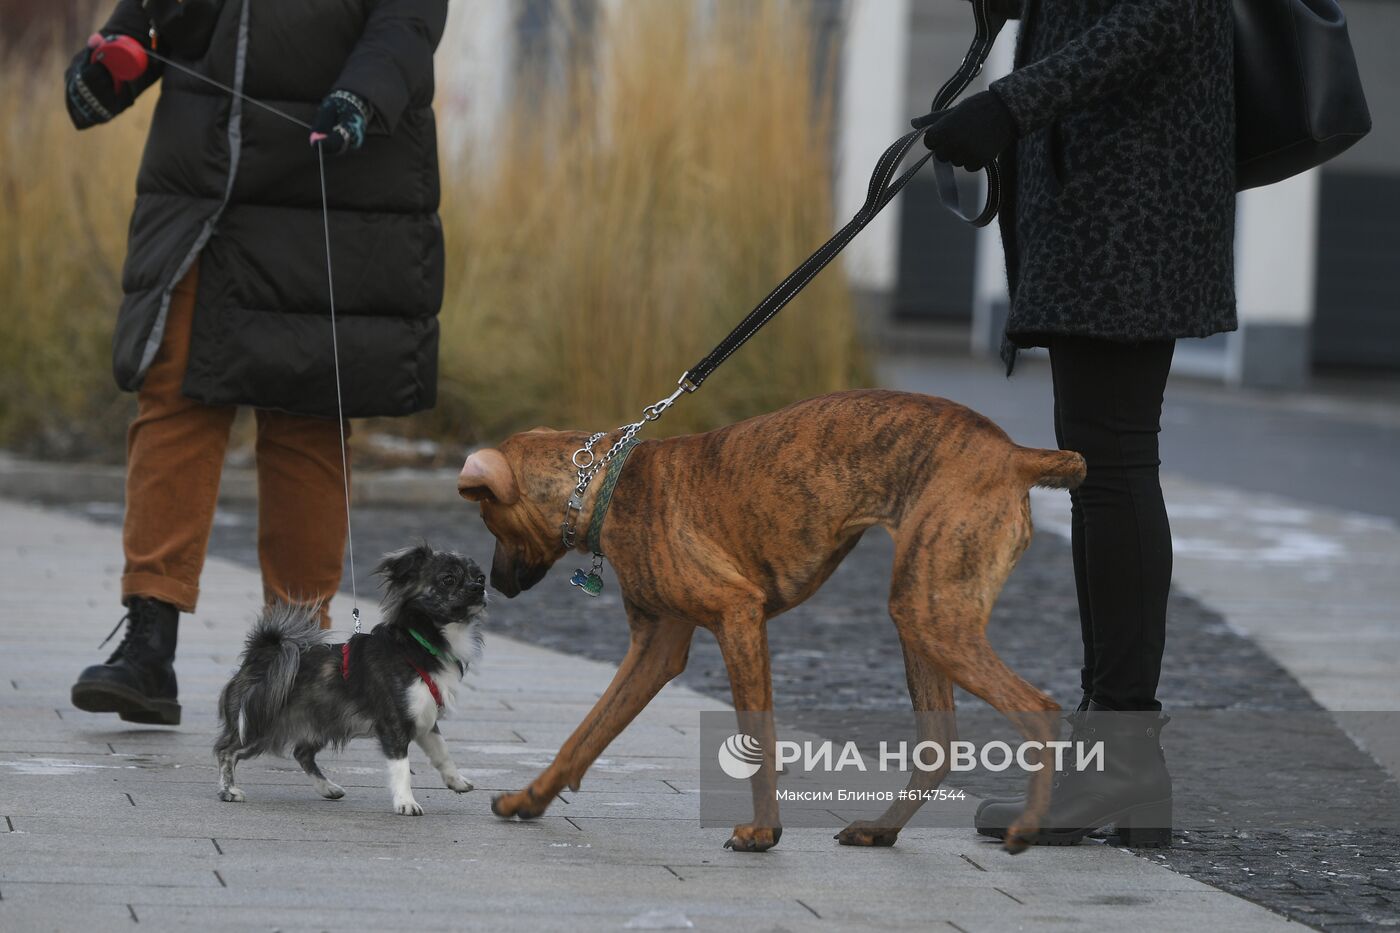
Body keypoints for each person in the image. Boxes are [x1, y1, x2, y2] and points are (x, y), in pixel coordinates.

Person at [66, 0, 448, 727]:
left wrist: (364, 95)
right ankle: (149, 642)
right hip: (204, 190)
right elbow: (159, 19)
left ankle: (294, 663)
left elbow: (407, 22)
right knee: (173, 389)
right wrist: (112, 59)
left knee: (304, 420)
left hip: (329, 182)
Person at [915, 0, 1236, 845]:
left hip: (1132, 204)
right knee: (1102, 469)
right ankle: (1120, 763)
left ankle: (1124, 756)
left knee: (1114, 467)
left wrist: (1008, 104)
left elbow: (1156, 18)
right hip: (1104, 200)